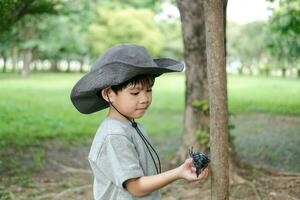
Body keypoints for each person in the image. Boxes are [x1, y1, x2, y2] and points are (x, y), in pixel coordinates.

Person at [70, 44, 209, 200]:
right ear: (108, 94)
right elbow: (136, 187)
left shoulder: (130, 126)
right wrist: (178, 173)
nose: (144, 99)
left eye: (148, 90)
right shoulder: (114, 135)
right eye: (135, 93)